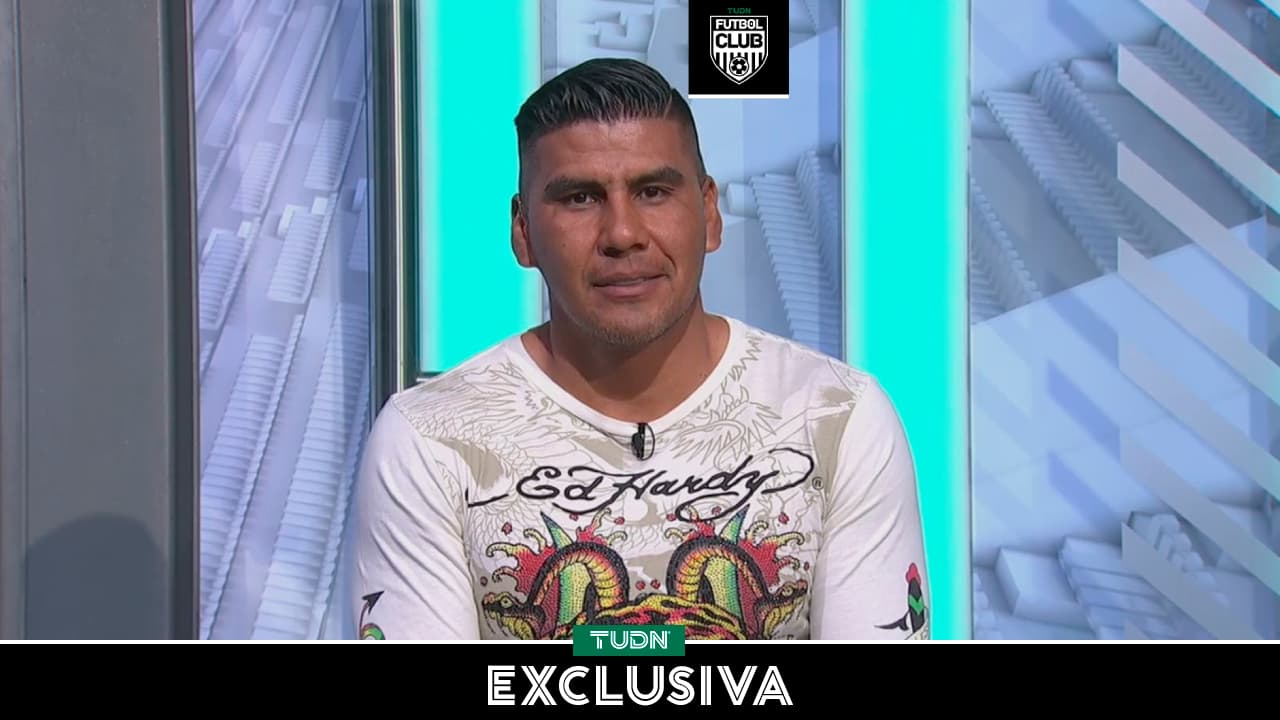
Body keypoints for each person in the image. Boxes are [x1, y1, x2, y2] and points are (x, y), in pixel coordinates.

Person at [351, 58, 929, 641]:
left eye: (653, 192)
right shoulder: (430, 439)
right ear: (523, 232)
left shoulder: (836, 418)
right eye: (580, 198)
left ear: (709, 212)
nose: (622, 234)